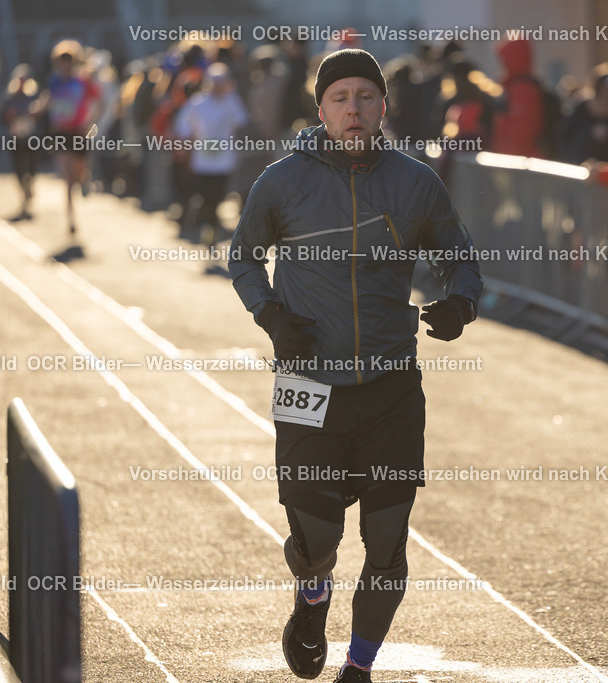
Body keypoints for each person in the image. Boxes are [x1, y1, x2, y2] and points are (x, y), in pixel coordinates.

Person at [228, 48, 482, 683]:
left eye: (365, 97)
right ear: (321, 110)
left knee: (389, 540)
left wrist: (460, 302)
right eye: (340, 98)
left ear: (383, 107)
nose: (353, 109)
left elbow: (460, 255)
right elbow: (242, 257)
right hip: (308, 383)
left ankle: (359, 667)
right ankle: (312, 596)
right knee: (316, 542)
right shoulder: (282, 181)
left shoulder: (415, 181)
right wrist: (271, 316)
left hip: (391, 387)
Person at [173, 62, 248, 243]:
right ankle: (206, 226)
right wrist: (186, 140)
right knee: (205, 195)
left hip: (223, 158)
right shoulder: (199, 102)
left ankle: (211, 226)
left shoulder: (230, 101)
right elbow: (182, 124)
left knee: (219, 194)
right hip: (204, 158)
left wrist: (231, 95)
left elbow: (242, 120)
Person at [40, 40, 100, 236]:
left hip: (79, 132)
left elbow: (100, 102)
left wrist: (91, 122)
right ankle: (71, 218)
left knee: (77, 174)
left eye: (69, 61)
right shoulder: (55, 81)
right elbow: (47, 100)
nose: (66, 65)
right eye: (62, 61)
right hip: (60, 132)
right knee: (66, 178)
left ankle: (84, 179)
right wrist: (38, 109)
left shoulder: (83, 82)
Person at [490, 38, 544, 158]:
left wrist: (503, 161)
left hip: (520, 165)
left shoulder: (522, 90)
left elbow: (520, 133)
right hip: (520, 162)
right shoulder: (516, 87)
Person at [2, 64, 40, 220]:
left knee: (31, 167)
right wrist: (9, 116)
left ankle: (29, 187)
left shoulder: (33, 97)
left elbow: (40, 115)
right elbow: (2, 118)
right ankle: (23, 193)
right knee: (18, 168)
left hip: (31, 137)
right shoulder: (10, 98)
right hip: (16, 138)